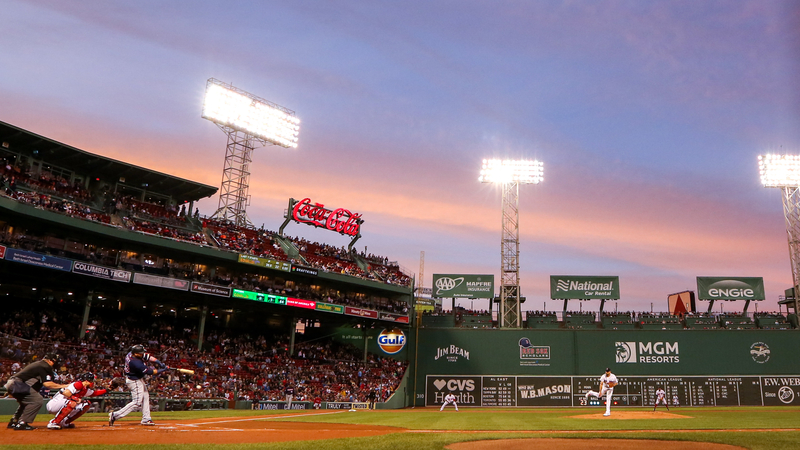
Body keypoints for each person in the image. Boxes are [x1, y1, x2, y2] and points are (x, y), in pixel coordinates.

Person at [108, 345, 170, 426]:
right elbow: (150, 372)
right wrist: (163, 369)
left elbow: (148, 356)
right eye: (141, 353)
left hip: (137, 379)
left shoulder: (131, 353)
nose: (142, 354)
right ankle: (115, 415)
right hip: (134, 381)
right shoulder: (135, 362)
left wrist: (159, 362)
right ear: (136, 354)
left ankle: (146, 419)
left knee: (145, 397)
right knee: (137, 402)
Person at [4, 353, 68, 430]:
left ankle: (14, 421)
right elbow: (48, 384)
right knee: (37, 400)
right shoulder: (45, 366)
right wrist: (65, 386)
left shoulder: (39, 364)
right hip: (17, 383)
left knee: (27, 402)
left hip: (13, 383)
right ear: (51, 360)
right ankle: (23, 423)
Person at [46, 372, 110, 429]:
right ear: (87, 381)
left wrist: (107, 390)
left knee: (86, 404)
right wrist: (76, 399)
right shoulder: (78, 384)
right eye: (91, 381)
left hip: (64, 404)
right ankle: (53, 422)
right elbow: (65, 392)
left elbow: (94, 393)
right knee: (73, 402)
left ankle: (65, 422)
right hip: (55, 403)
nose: (92, 383)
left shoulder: (85, 389)